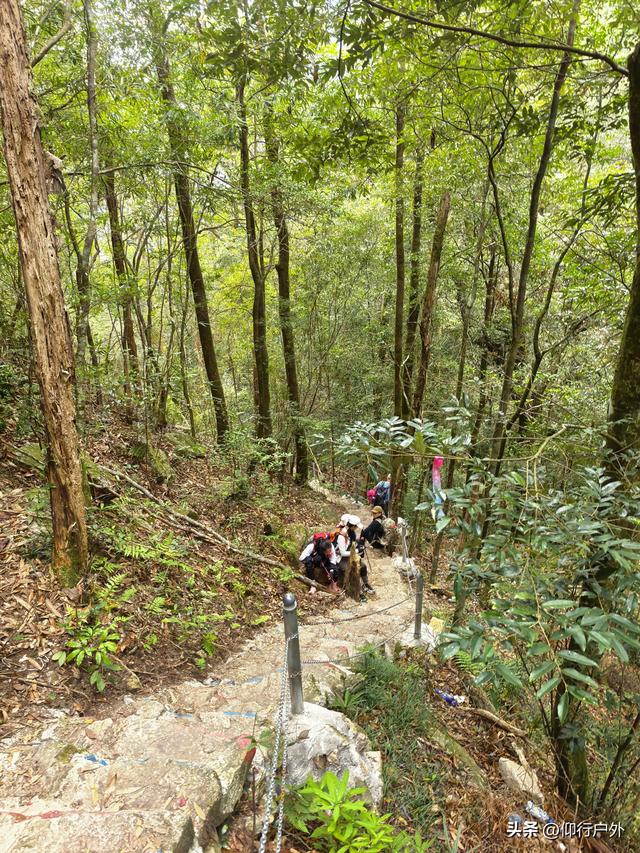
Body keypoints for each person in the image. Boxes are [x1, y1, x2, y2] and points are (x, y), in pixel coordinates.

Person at [334, 514, 374, 595]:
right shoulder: (341, 536)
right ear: (352, 526)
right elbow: (343, 553)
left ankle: (365, 584)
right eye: (356, 527)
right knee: (353, 569)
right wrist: (357, 550)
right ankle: (355, 590)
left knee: (363, 566)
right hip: (341, 559)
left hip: (350, 555)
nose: (356, 529)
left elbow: (352, 543)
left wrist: (359, 545)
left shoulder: (351, 533)